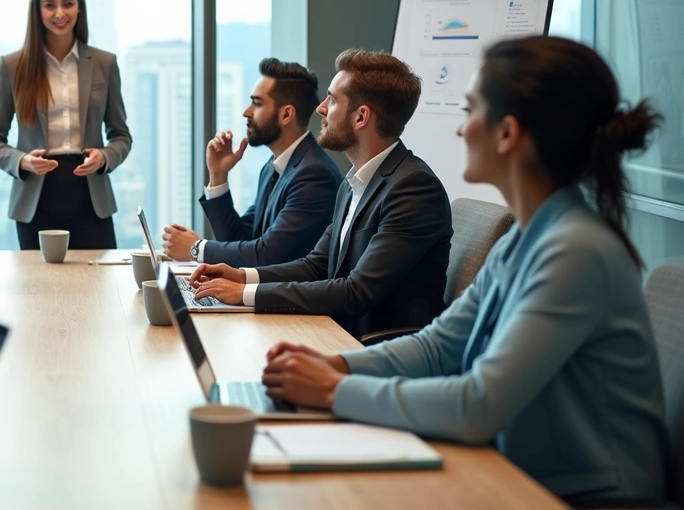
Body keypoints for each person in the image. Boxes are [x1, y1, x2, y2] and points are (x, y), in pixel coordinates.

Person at [258, 36, 670, 503]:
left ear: (508, 133)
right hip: (519, 472)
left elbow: (479, 405)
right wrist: (333, 365)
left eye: (470, 111)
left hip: (585, 498)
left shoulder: (577, 252)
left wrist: (335, 390)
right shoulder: (526, 236)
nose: (460, 130)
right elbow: (437, 347)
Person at [189, 49, 452, 338]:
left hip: (375, 348)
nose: (321, 108)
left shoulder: (412, 188)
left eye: (333, 99)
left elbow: (356, 292)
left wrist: (244, 293)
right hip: (334, 331)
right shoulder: (355, 182)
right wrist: (243, 276)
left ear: (361, 116)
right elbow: (316, 265)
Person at [0, 0, 132, 250]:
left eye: (68, 4)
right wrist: (22, 161)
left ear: (79, 8)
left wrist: (104, 156)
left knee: (99, 288)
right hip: (36, 201)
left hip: (91, 198)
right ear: (37, 11)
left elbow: (122, 136)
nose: (60, 13)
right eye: (50, 5)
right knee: (40, 291)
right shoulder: (12, 67)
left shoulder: (104, 63)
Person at [162, 58, 341, 267]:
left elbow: (267, 255)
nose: (246, 112)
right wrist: (218, 175)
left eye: (256, 103)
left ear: (286, 114)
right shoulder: (273, 168)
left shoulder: (314, 175)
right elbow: (239, 238)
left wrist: (196, 248)